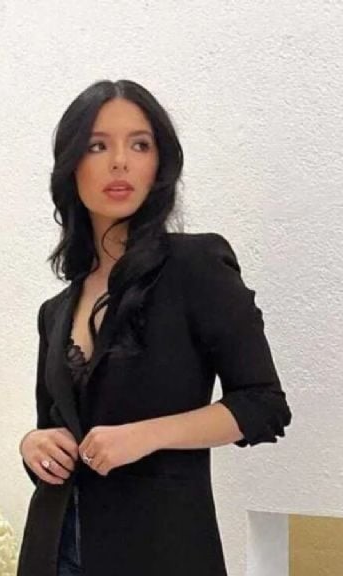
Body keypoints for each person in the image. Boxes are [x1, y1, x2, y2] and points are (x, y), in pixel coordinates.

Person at [17, 79, 292, 576]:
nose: (120, 162)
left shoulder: (196, 267)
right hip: (54, 550)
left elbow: (263, 406)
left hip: (161, 549)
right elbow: (53, 429)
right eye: (98, 146)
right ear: (72, 166)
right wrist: (33, 446)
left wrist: (146, 435)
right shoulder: (55, 311)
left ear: (159, 165)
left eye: (140, 145)